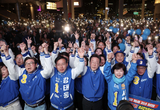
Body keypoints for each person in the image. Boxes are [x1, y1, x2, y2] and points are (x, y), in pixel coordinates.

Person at [1, 42, 52, 110]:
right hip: (27, 106)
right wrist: (6, 53)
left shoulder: (41, 73)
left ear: (36, 65)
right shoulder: (21, 72)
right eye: (27, 64)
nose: (28, 65)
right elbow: (11, 67)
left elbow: (49, 70)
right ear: (24, 66)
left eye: (31, 63)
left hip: (40, 106)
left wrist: (46, 51)